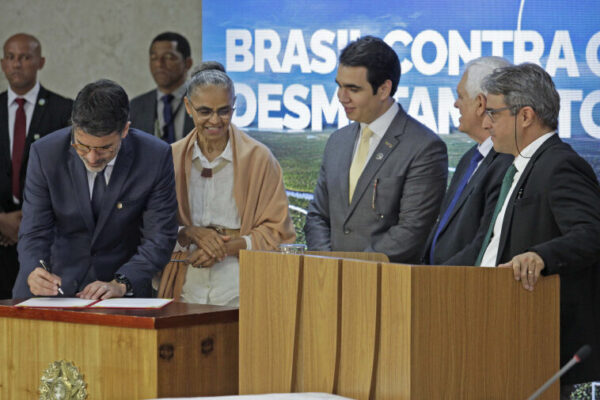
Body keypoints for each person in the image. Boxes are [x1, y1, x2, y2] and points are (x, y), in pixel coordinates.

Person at [476, 63, 600, 393]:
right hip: (493, 322)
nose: (486, 123)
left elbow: (591, 233)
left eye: (494, 113)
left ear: (526, 115)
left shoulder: (559, 165)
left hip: (534, 337)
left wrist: (539, 256)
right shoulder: (522, 165)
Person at [12, 79, 178, 299]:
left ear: (125, 130)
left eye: (104, 148)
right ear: (74, 127)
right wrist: (36, 269)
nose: (92, 157)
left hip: (119, 290)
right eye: (82, 145)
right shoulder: (46, 154)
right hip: (53, 288)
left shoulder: (154, 156)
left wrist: (122, 282)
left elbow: (160, 236)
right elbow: (34, 230)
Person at [157, 63, 295, 306]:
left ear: (234, 105)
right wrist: (188, 234)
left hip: (242, 292)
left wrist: (225, 247)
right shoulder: (169, 158)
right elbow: (153, 228)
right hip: (184, 290)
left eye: (223, 111)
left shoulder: (260, 159)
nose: (215, 120)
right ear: (188, 107)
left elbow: (278, 234)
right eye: (204, 111)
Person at [304, 36, 447, 263]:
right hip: (329, 284)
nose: (342, 97)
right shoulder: (337, 142)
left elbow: (411, 231)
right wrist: (328, 265)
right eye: (339, 86)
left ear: (383, 89)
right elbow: (318, 216)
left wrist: (354, 270)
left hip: (388, 288)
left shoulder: (424, 147)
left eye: (353, 89)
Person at [0, 33, 72, 299]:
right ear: (2, 63)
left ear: (40, 62)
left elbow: (69, 176)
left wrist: (29, 221)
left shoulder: (64, 110)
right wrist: (1, 220)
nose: (17, 64)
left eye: (25, 57)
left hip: (46, 240)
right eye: (11, 57)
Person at [423, 57, 513, 266]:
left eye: (461, 96)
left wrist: (436, 279)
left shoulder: (507, 164)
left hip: (463, 287)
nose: (456, 104)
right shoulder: (469, 159)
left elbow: (484, 242)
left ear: (481, 104)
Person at [129, 32, 194, 143]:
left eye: (169, 57)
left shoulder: (202, 102)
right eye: (154, 58)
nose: (159, 64)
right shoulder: (136, 106)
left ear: (187, 63)